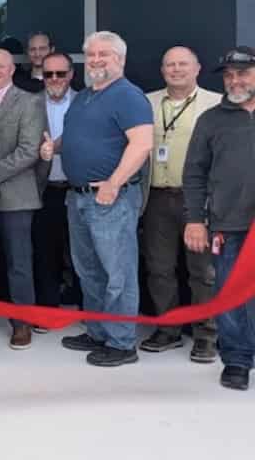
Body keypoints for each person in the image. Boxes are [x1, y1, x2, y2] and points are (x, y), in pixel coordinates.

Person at [54, 31, 154, 367]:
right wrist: (54, 146)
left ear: (120, 59)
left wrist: (114, 182)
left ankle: (122, 343)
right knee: (89, 271)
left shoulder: (128, 96)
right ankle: (97, 331)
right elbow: (78, 135)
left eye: (104, 54)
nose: (96, 60)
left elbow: (142, 144)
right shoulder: (84, 97)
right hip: (79, 198)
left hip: (112, 198)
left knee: (117, 273)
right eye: (92, 55)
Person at [139, 46, 221, 361]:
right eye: (170, 65)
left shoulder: (217, 103)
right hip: (156, 197)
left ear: (197, 68)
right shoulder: (146, 102)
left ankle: (206, 335)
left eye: (182, 64)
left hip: (198, 198)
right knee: (159, 268)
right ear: (162, 71)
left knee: (203, 271)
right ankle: (168, 330)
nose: (176, 69)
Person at [183, 46, 255, 390]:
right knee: (230, 295)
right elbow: (194, 174)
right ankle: (237, 360)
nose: (235, 81)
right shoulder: (211, 120)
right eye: (228, 75)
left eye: (243, 73)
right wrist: (195, 220)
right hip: (229, 225)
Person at [0, 49, 47, 350]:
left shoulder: (29, 101)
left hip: (16, 194)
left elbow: (29, 150)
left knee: (19, 261)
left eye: (0, 66)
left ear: (11, 70)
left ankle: (22, 323)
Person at [32, 52, 82, 315]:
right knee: (45, 252)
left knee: (83, 252)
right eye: (48, 73)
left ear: (71, 74)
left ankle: (86, 309)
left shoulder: (85, 102)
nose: (54, 78)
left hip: (78, 189)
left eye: (60, 73)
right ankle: (47, 310)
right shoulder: (30, 103)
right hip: (43, 189)